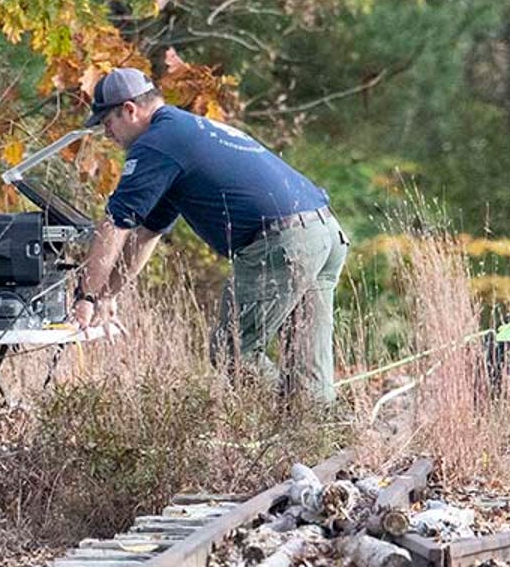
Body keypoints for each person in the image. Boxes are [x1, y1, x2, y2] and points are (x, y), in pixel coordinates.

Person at [72, 67, 349, 404]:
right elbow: (146, 233)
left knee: (232, 350)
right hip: (324, 233)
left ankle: (291, 425)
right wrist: (106, 294)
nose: (107, 133)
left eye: (107, 123)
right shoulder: (184, 132)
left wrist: (85, 296)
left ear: (130, 110)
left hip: (285, 241)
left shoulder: (155, 144)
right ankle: (316, 438)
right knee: (309, 369)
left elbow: (115, 224)